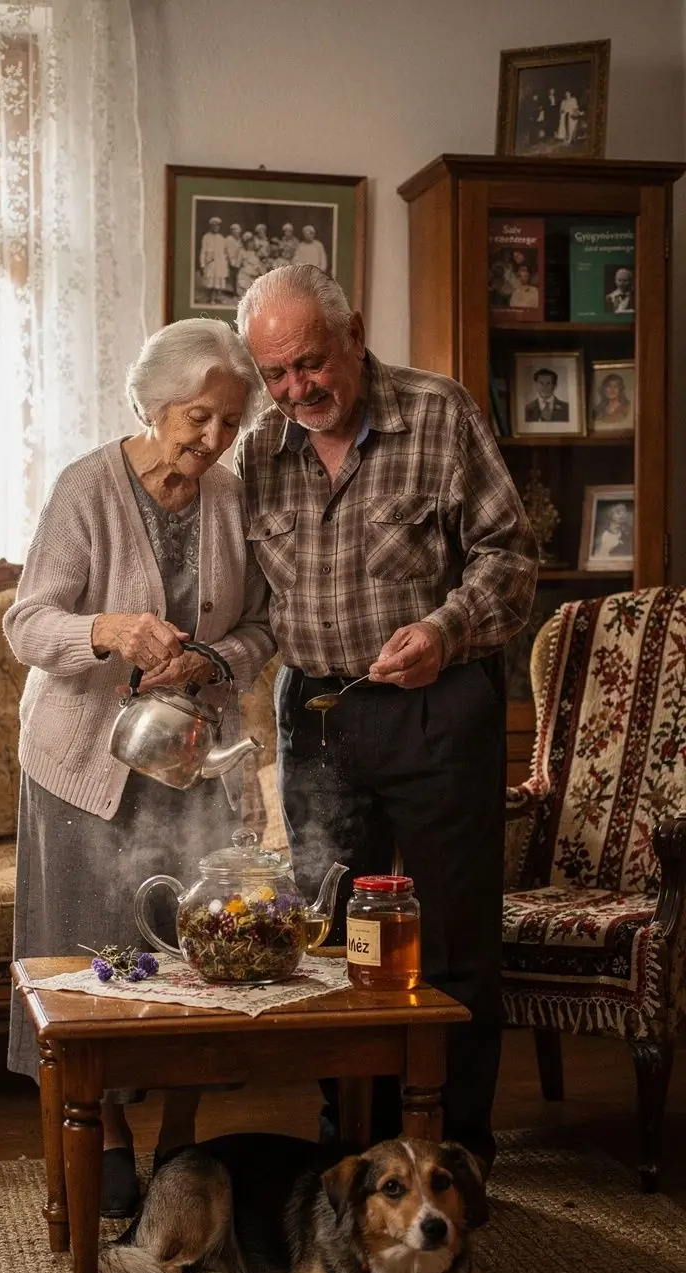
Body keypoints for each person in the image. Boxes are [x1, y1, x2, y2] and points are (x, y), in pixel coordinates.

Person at [235, 264, 538, 1175]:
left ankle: (457, 1152)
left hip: (438, 705)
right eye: (275, 374)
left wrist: (445, 632)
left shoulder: (438, 413)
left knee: (452, 938)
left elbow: (510, 554)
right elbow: (244, 601)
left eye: (311, 364)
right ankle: (357, 1150)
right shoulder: (257, 451)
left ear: (355, 334)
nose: (297, 390)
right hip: (317, 716)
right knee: (331, 937)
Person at [5, 319, 273, 1218]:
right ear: (153, 405)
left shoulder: (231, 498)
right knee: (91, 957)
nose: (214, 438)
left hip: (188, 761)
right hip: (81, 761)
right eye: (199, 417)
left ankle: (181, 1135)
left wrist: (210, 659)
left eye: (230, 422)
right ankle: (109, 1133)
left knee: (196, 949)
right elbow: (27, 624)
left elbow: (263, 627)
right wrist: (110, 630)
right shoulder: (86, 487)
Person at [199, 216, 229, 303]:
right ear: (211, 226)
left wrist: (225, 261)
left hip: (220, 262)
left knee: (219, 280)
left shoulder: (221, 238)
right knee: (211, 280)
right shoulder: (206, 237)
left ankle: (216, 297)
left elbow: (224, 251)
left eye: (218, 225)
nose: (216, 227)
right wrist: (202, 264)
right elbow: (203, 251)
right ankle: (211, 298)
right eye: (214, 225)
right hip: (210, 262)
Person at [224, 222, 244, 297]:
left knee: (236, 276)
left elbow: (240, 250)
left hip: (237, 260)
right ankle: (231, 291)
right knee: (230, 276)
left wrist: (239, 261)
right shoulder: (228, 239)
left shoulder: (239, 240)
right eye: (236, 232)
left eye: (238, 232)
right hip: (230, 261)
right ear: (232, 232)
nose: (238, 233)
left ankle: (235, 290)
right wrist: (231, 262)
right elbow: (229, 252)